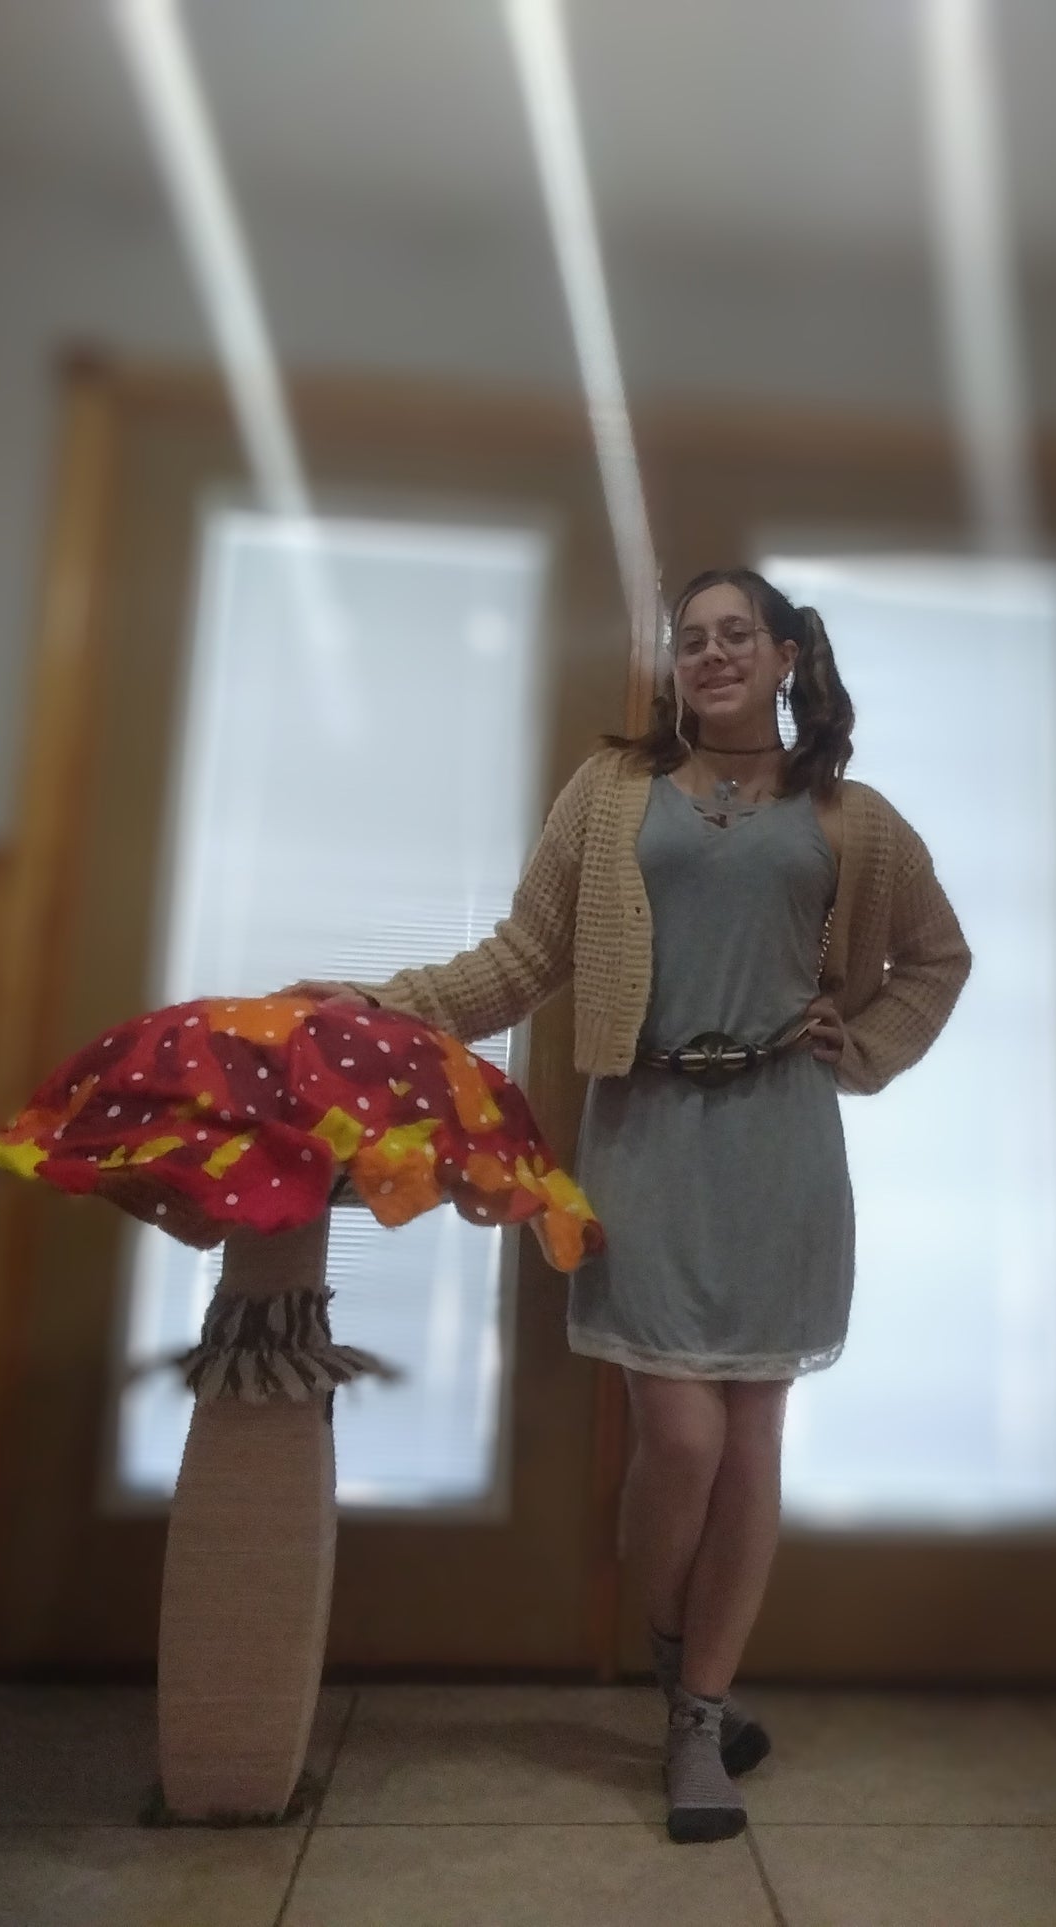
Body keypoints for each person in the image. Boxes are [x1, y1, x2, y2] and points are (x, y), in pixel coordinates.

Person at [287, 567, 971, 1844]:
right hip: (644, 1131)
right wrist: (381, 1002)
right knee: (683, 1440)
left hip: (780, 1138)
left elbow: (935, 958)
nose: (709, 654)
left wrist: (866, 1040)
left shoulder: (851, 817)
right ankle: (674, 1649)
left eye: (735, 635)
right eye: (690, 639)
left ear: (783, 657)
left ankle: (696, 1716)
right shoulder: (609, 794)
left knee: (751, 1439)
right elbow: (521, 957)